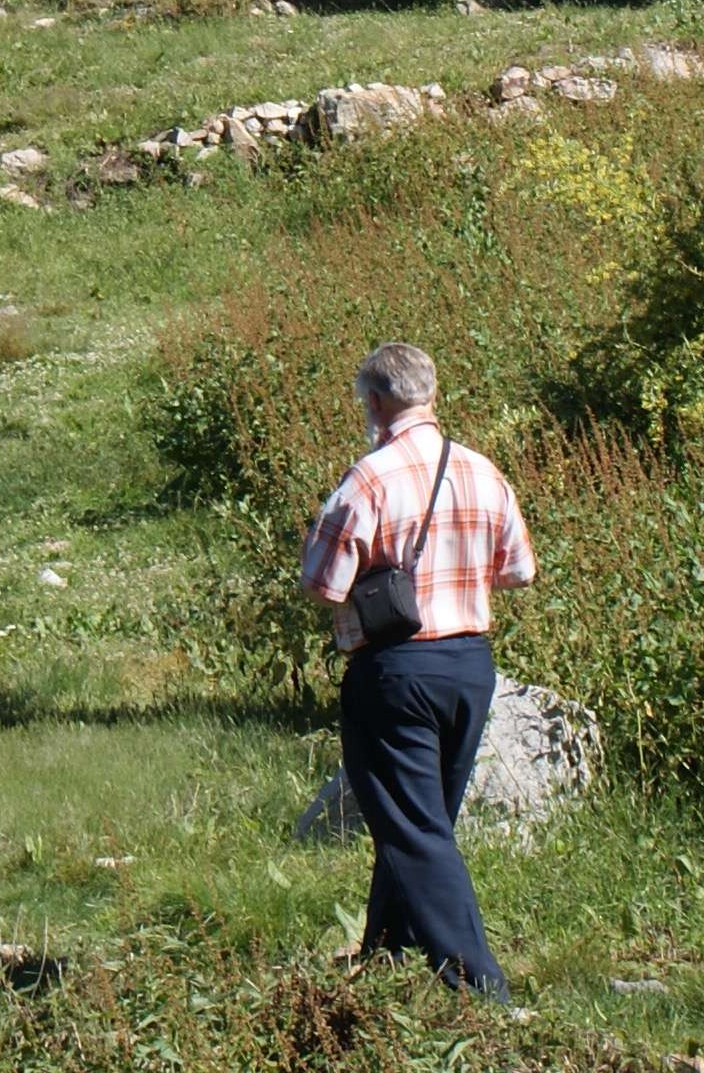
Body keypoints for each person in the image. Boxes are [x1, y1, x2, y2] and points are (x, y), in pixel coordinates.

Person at [296, 341, 536, 996]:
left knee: (415, 830)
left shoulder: (369, 478)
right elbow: (519, 570)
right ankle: (386, 956)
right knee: (423, 822)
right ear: (430, 393)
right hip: (471, 666)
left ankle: (480, 987)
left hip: (396, 669)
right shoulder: (482, 470)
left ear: (376, 401)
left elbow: (321, 583)